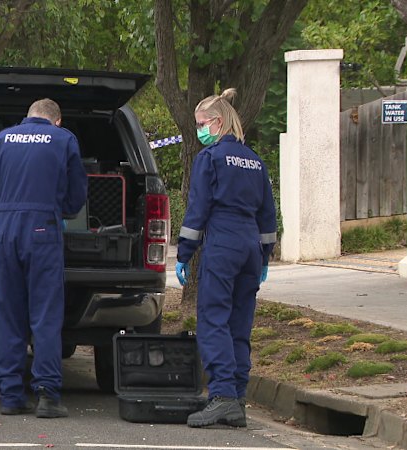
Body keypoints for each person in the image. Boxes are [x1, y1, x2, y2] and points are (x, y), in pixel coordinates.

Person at [175, 88, 277, 428]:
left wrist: (185, 253)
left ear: (217, 122)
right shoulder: (255, 161)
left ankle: (221, 397)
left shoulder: (211, 159)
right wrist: (264, 257)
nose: (199, 130)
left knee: (213, 319)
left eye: (201, 124)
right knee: (239, 324)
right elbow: (267, 216)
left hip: (223, 242)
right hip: (249, 246)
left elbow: (198, 209)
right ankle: (237, 399)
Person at [0, 98, 87, 419]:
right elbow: (76, 196)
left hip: (5, 230)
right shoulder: (64, 138)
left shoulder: (1, 139)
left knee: (8, 314)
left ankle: (11, 396)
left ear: (27, 117)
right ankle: (48, 395)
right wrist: (60, 210)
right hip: (43, 230)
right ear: (57, 120)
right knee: (44, 314)